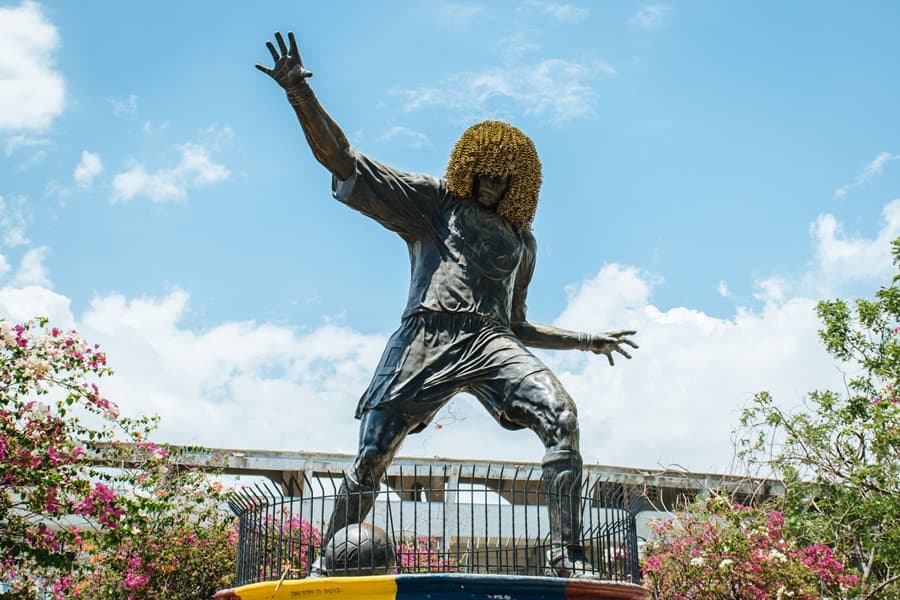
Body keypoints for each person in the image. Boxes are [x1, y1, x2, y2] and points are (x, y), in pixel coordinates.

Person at [256, 31, 638, 579]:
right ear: (469, 166)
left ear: (518, 183)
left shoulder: (522, 242)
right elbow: (343, 161)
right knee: (372, 456)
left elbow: (517, 324)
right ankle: (325, 563)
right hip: (426, 338)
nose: (492, 184)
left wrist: (585, 339)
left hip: (490, 342)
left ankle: (566, 555)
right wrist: (300, 95)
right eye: (484, 172)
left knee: (561, 416)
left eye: (504, 179)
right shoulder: (434, 203)